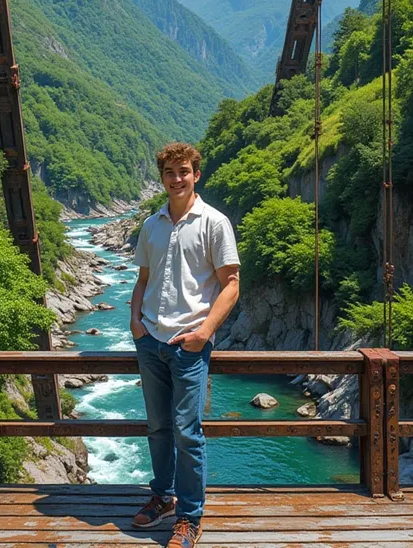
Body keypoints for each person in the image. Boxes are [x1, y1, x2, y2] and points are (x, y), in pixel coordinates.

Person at [130, 142, 240, 548]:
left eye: (184, 171)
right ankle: (161, 496)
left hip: (189, 344)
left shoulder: (214, 222)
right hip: (151, 340)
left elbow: (231, 284)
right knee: (158, 428)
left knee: (187, 432)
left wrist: (203, 333)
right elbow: (143, 278)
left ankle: (189, 517)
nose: (177, 179)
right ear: (161, 178)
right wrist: (134, 321)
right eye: (170, 173)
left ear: (196, 174)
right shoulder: (152, 224)